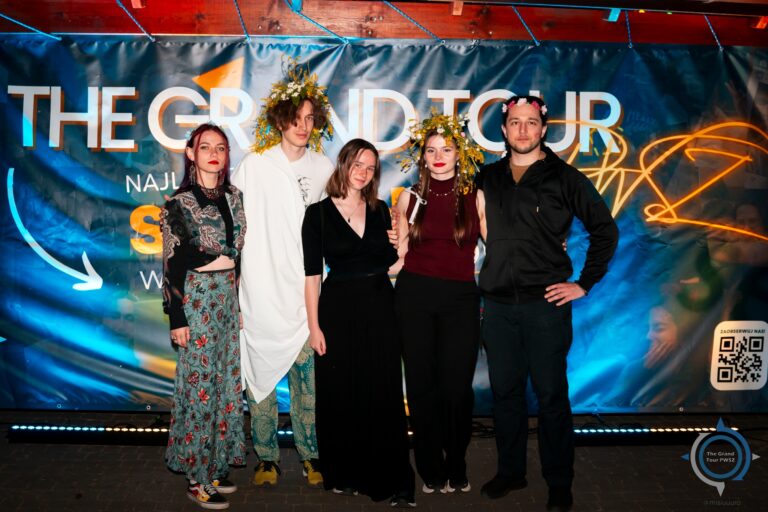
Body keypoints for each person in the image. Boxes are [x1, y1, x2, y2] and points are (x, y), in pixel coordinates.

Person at [476, 96, 619, 511]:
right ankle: (511, 472)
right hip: (498, 305)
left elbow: (605, 230)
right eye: (515, 123)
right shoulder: (488, 177)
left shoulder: (564, 177)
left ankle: (559, 481)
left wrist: (583, 284)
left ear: (543, 128)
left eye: (531, 122)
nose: (523, 130)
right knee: (505, 394)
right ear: (503, 130)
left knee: (551, 396)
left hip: (545, 306)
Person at [230, 62, 333, 488]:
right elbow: (234, 229)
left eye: (310, 119)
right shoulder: (255, 166)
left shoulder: (324, 168)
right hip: (261, 289)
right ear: (280, 120)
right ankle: (267, 458)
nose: (303, 126)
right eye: (296, 118)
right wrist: (236, 290)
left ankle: (311, 455)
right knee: (261, 383)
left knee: (307, 385)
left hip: (305, 292)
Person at [302, 139, 416, 507]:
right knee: (341, 392)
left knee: (382, 391)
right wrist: (314, 327)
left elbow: (396, 263)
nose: (363, 172)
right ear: (344, 164)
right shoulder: (317, 215)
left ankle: (391, 478)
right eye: (358, 164)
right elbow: (312, 277)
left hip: (380, 305)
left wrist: (403, 237)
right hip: (337, 310)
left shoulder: (382, 211)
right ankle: (345, 473)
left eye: (370, 167)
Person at [392, 113, 484, 494]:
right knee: (421, 385)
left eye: (446, 149)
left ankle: (456, 461)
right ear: (423, 157)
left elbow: (500, 247)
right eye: (431, 151)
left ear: (459, 154)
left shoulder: (476, 196)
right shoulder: (409, 197)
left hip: (461, 299)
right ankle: (430, 465)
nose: (439, 156)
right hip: (414, 296)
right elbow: (398, 256)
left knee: (457, 388)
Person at [162, 123, 247, 510]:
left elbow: (237, 257)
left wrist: (237, 302)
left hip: (226, 300)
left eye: (221, 147)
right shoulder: (178, 204)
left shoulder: (234, 197)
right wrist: (176, 318)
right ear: (191, 154)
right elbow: (171, 264)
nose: (214, 154)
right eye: (205, 147)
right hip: (196, 300)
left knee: (224, 386)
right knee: (199, 389)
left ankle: (214, 466)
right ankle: (196, 478)